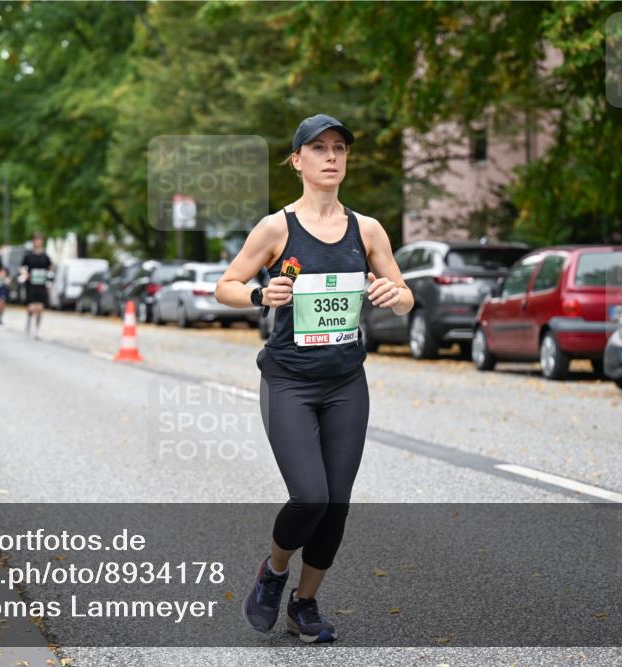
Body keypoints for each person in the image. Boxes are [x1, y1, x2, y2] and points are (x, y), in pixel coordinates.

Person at [215, 114, 413, 643]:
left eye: (339, 148)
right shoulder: (277, 227)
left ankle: (306, 604)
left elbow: (403, 287)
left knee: (337, 501)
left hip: (347, 382)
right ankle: (274, 571)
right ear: (297, 160)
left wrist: (397, 294)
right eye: (319, 148)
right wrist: (260, 295)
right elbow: (226, 285)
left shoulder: (366, 229)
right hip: (289, 382)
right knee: (310, 497)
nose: (331, 156)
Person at [21, 233, 53, 340]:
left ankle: (37, 329)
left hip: (41, 284)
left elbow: (51, 268)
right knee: (32, 307)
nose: (38, 242)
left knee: (40, 307)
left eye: (40, 240)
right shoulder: (28, 255)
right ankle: (29, 319)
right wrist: (25, 273)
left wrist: (49, 274)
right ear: (33, 242)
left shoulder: (45, 256)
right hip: (31, 284)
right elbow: (22, 267)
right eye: (36, 240)